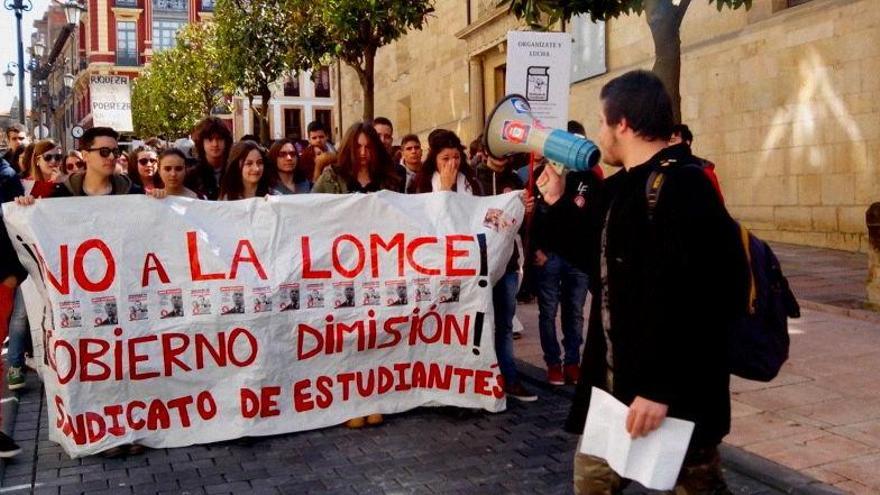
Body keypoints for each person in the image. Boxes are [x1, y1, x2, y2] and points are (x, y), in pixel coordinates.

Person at [538, 70, 747, 495]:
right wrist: (556, 201)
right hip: (613, 393)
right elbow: (589, 257)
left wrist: (660, 388)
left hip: (673, 397)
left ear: (623, 124)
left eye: (601, 121)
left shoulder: (687, 186)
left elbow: (710, 298)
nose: (598, 132)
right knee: (592, 482)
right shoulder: (618, 189)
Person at [474, 153, 538, 402]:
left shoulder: (514, 179)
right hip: (480, 266)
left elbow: (520, 228)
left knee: (505, 325)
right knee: (480, 324)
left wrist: (527, 213)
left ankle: (510, 379)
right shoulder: (474, 179)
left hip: (508, 264)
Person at [531, 161, 601, 386]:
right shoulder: (541, 173)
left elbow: (593, 218)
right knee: (548, 311)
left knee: (575, 312)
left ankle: (572, 362)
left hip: (577, 257)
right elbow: (532, 215)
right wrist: (536, 248)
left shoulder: (589, 178)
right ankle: (553, 363)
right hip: (549, 255)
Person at [312, 122, 401, 194]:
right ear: (349, 147)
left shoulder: (387, 178)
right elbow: (314, 204)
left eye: (368, 147)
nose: (363, 152)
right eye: (357, 147)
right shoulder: (331, 177)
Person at [407, 130, 479, 194]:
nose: (452, 163)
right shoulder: (422, 183)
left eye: (456, 157)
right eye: (446, 158)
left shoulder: (471, 180)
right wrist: (445, 187)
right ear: (434, 160)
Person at [670, 123, 724, 203]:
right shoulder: (663, 170)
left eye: (673, 140)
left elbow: (718, 202)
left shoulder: (704, 170)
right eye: (667, 141)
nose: (669, 145)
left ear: (687, 142)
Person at [186, 117, 233, 200]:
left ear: (226, 142)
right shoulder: (191, 176)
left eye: (219, 139)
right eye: (210, 139)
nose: (215, 144)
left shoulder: (235, 172)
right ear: (201, 142)